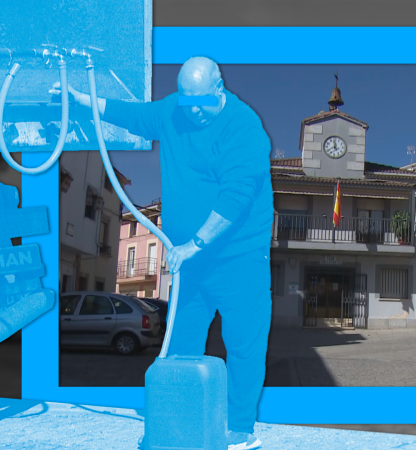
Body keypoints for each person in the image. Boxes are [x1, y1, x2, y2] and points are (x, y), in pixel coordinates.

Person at [52, 56, 271, 450]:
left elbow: (235, 197)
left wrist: (195, 244)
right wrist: (82, 100)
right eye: (185, 101)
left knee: (244, 343)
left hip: (239, 258)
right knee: (182, 339)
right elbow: (132, 115)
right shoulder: (176, 109)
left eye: (200, 102)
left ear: (219, 88)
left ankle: (240, 427)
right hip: (190, 260)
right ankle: (178, 420)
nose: (192, 111)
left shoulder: (244, 128)